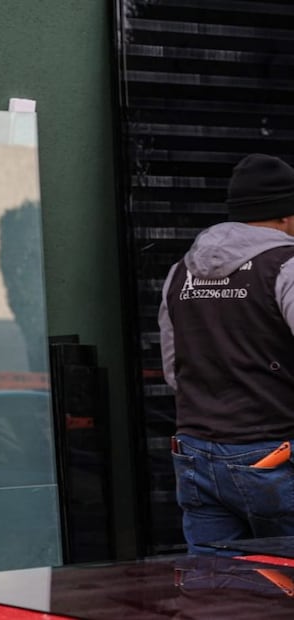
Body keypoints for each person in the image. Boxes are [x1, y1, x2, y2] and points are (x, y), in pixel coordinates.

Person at [159, 153, 294, 555]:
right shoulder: (286, 266)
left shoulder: (182, 271)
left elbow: (173, 370)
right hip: (273, 453)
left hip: (195, 454)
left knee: (215, 593)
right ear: (286, 215)